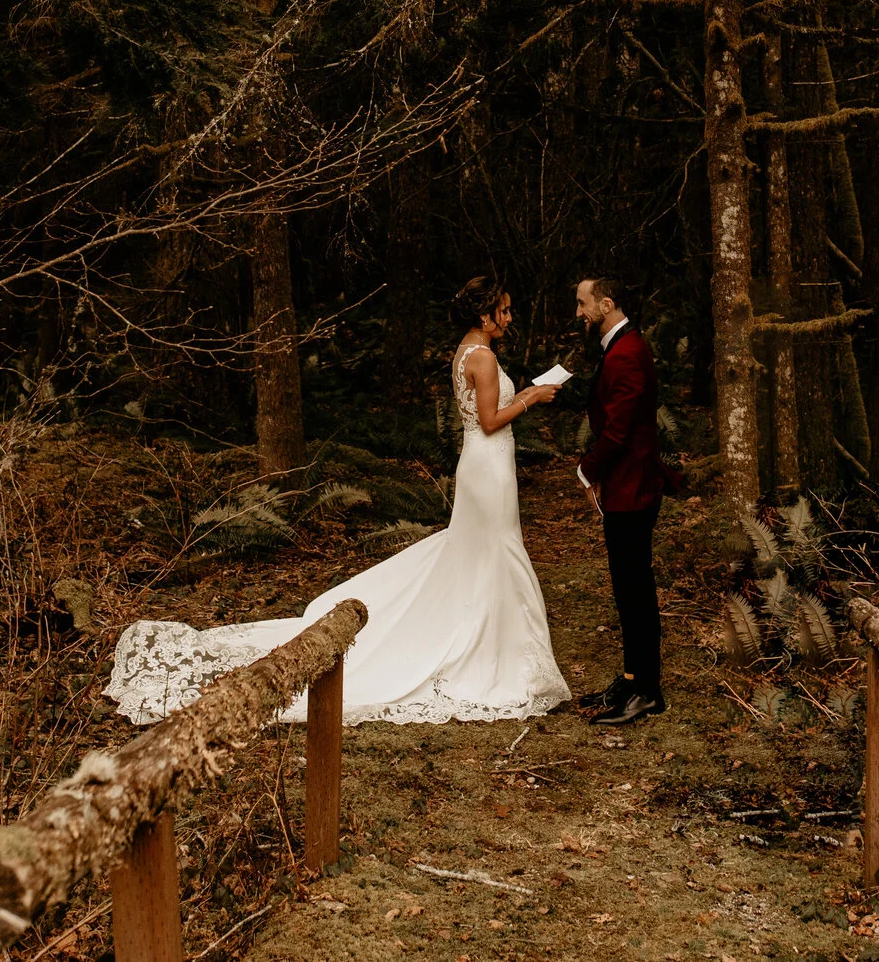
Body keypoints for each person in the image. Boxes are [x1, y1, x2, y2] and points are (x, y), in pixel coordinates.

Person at [104, 275, 572, 725]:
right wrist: (533, 400)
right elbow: (491, 421)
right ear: (485, 313)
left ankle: (491, 637)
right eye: (504, 310)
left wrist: (527, 391)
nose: (510, 317)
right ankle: (492, 650)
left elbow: (485, 413)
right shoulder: (484, 358)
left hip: (482, 464)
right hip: (488, 467)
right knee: (493, 549)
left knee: (482, 550)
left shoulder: (468, 349)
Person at [562, 272, 679, 726]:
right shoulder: (621, 344)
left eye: (582, 304)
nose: (580, 312)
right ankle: (633, 678)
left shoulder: (628, 352)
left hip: (633, 488)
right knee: (628, 590)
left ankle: (647, 691)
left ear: (605, 304)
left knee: (635, 592)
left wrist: (586, 469)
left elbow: (619, 429)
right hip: (628, 486)